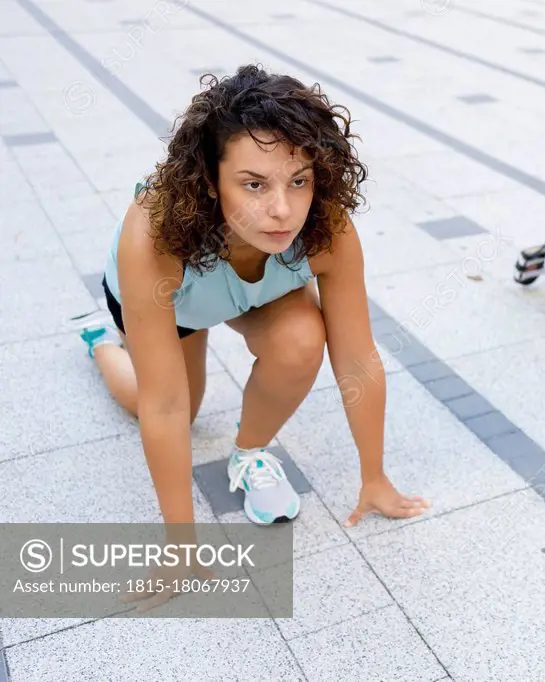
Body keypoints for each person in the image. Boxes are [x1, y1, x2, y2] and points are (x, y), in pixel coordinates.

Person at [76, 65, 430, 529]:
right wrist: (181, 544)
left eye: (298, 180)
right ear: (209, 178)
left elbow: (358, 359)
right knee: (174, 406)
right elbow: (165, 406)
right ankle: (102, 342)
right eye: (254, 184)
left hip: (262, 288)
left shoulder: (325, 225)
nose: (282, 210)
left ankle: (249, 455)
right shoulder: (154, 236)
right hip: (180, 300)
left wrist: (374, 477)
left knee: (302, 337)